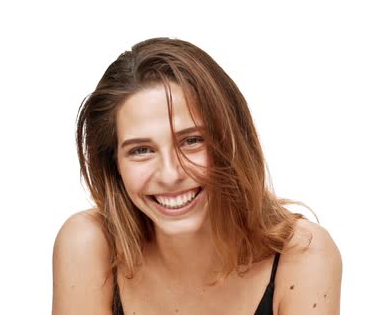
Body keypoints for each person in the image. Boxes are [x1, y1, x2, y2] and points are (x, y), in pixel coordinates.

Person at [52, 37, 342, 315]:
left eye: (191, 140)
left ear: (231, 142)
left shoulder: (303, 255)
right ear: (114, 164)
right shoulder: (88, 243)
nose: (170, 173)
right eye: (141, 150)